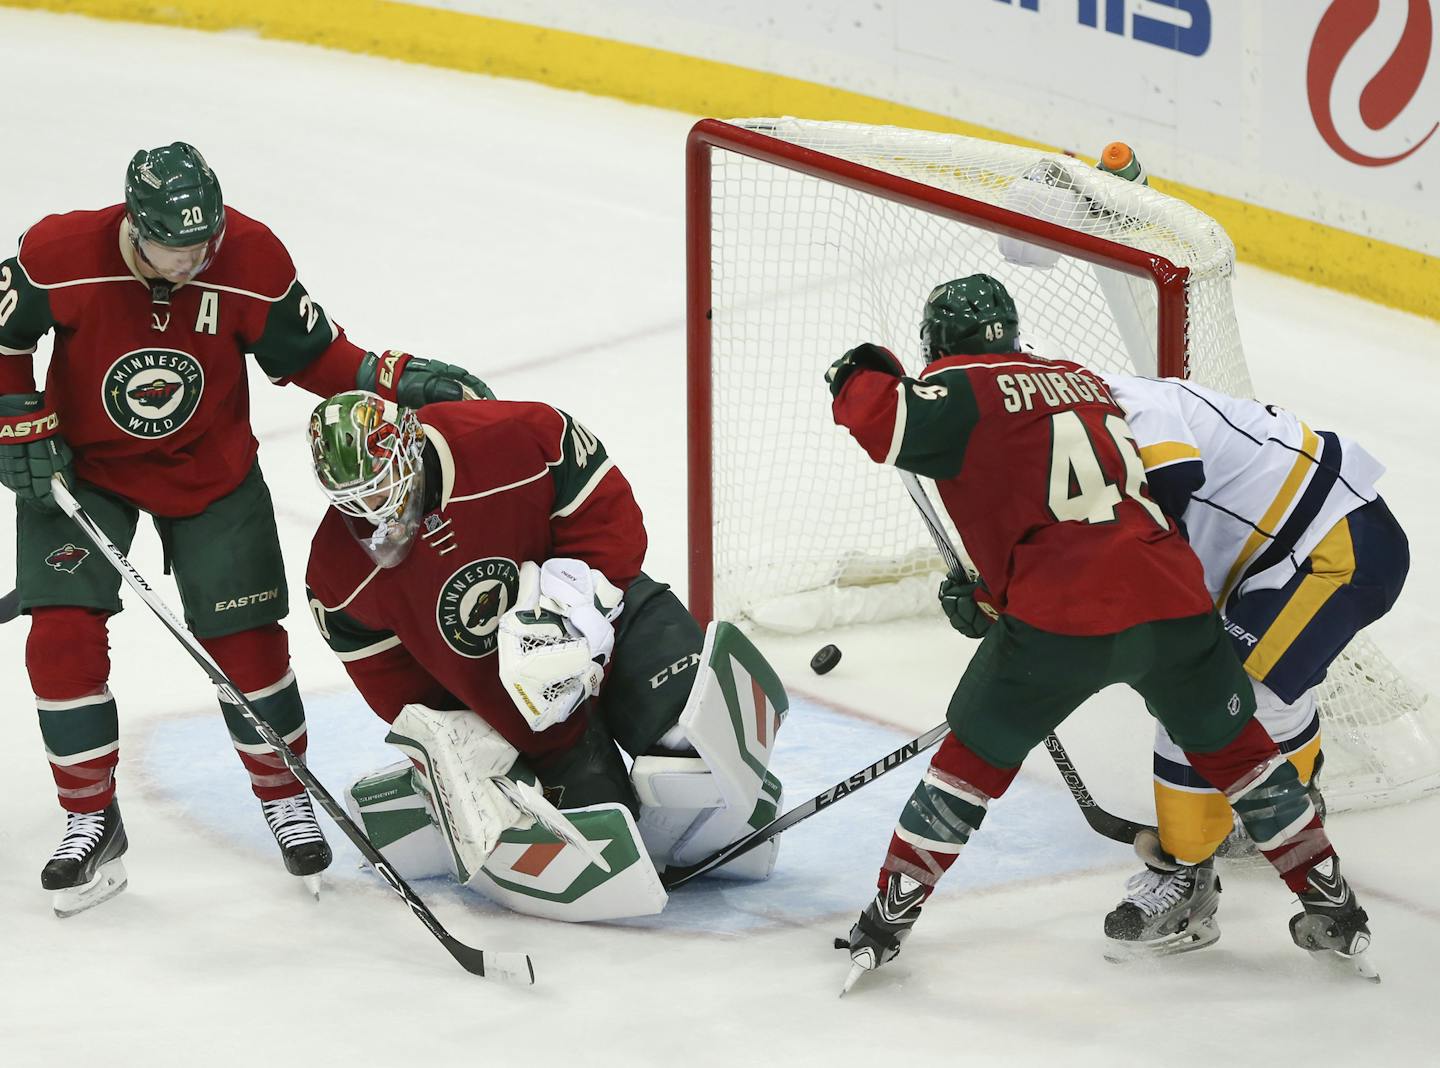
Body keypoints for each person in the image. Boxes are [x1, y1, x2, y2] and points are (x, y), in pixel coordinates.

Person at [826, 273, 1375, 993]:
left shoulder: (962, 388)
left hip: (1061, 621)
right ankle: (1332, 904)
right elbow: (1078, 505)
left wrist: (862, 366)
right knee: (1244, 756)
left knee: (970, 765)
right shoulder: (1080, 381)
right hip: (1173, 601)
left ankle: (886, 920)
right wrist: (996, 590)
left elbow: (872, 412)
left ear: (939, 347)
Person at [0, 142, 488, 916]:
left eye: (204, 242)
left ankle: (284, 795)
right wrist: (16, 413)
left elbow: (316, 355)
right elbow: (4, 337)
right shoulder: (58, 251)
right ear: (134, 225)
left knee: (250, 645)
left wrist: (395, 380)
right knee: (59, 638)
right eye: (173, 245)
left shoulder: (249, 257)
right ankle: (90, 819)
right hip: (83, 472)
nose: (193, 259)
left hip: (212, 473)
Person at [304, 389, 785, 921]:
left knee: (692, 742)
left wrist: (577, 612)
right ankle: (433, 806)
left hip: (612, 623)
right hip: (524, 718)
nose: (377, 510)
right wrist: (463, 739)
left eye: (385, 485)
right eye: (358, 498)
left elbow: (609, 515)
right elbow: (390, 683)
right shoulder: (336, 575)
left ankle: (705, 817)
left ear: (410, 445)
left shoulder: (505, 437)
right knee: (604, 833)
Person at [1094, 370, 1407, 957]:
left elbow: (1170, 493)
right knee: (1255, 682)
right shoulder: (1062, 420)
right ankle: (1294, 787)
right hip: (1276, 559)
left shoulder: (1123, 405)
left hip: (1334, 549)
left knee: (1202, 692)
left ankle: (1185, 872)